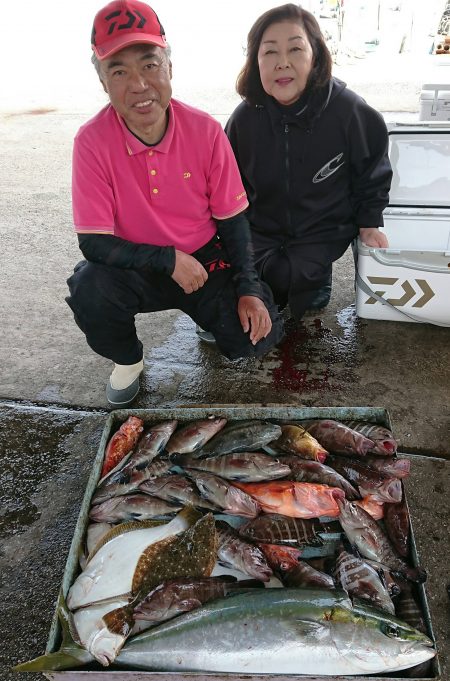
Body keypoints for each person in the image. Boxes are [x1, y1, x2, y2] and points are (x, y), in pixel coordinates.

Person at [66, 0, 283, 408]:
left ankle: (209, 319)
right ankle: (129, 361)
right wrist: (168, 260)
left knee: (256, 338)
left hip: (206, 260)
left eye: (149, 64)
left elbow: (234, 220)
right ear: (103, 83)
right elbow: (93, 243)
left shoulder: (204, 130)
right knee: (89, 289)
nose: (139, 85)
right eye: (119, 71)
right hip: (136, 265)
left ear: (169, 67)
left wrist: (249, 290)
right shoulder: (91, 141)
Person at [225, 3, 392, 320]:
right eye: (270, 52)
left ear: (315, 57)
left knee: (305, 297)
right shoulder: (243, 120)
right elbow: (228, 187)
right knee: (242, 315)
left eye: (296, 49)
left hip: (322, 230)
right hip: (263, 231)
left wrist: (370, 225)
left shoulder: (350, 111)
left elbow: (372, 171)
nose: (282, 63)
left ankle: (313, 282)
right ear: (255, 62)